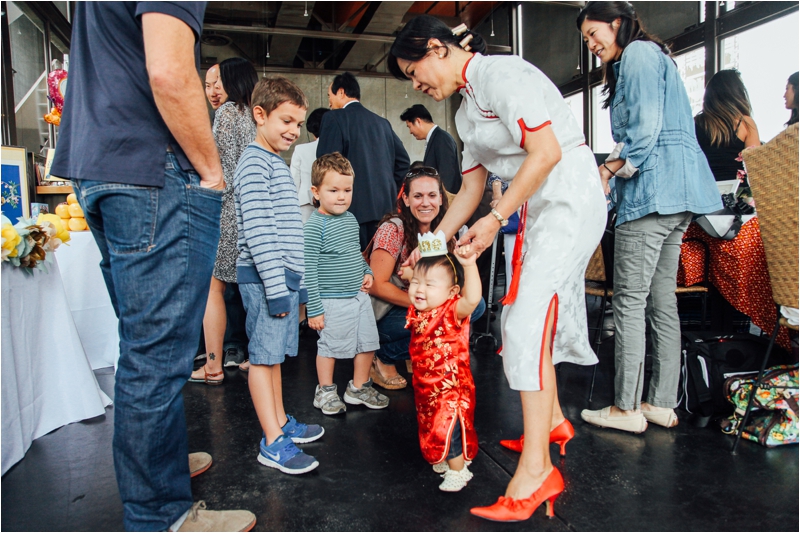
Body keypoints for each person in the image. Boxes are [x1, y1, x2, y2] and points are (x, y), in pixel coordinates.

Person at [388, 14, 606, 522]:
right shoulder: (466, 111)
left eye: (413, 71)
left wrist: (495, 218)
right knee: (531, 316)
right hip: (537, 207)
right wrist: (431, 244)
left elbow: (546, 151)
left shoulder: (502, 75)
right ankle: (551, 422)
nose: (415, 85)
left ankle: (537, 470)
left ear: (437, 48)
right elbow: (470, 188)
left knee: (524, 320)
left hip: (568, 196)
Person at [50, 3, 255, 531]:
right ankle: (160, 514)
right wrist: (211, 172)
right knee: (157, 354)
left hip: (98, 161)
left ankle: (158, 468)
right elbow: (167, 70)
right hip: (150, 166)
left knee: (142, 343)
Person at [577, 2, 720, 434]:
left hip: (651, 195)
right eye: (586, 39)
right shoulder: (655, 57)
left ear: (617, 23)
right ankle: (660, 402)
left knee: (629, 301)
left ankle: (626, 408)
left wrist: (607, 170)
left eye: (594, 33)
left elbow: (643, 130)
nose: (591, 44)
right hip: (678, 196)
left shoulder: (637, 53)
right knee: (662, 301)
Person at [234, 76, 324, 474]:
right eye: (286, 120)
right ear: (260, 115)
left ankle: (281, 421)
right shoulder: (255, 163)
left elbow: (287, 231)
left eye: (299, 124)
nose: (293, 130)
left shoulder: (273, 162)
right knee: (262, 359)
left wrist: (296, 286)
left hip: (279, 278)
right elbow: (260, 232)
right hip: (264, 279)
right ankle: (271, 441)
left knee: (273, 360)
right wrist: (275, 289)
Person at [367, 167, 485, 390]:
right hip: (386, 315)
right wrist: (427, 306)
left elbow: (458, 285)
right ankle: (384, 355)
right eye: (418, 196)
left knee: (476, 306)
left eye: (432, 195)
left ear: (440, 198)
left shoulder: (445, 232)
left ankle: (414, 353)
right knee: (439, 318)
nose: (425, 203)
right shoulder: (393, 229)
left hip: (421, 308)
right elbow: (376, 285)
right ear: (406, 199)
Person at [304, 152, 388, 416]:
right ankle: (325, 391)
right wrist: (314, 309)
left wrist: (366, 270)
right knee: (330, 347)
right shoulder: (315, 227)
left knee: (368, 343)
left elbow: (355, 252)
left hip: (358, 297)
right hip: (332, 300)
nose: (341, 197)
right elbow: (308, 270)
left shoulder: (350, 219)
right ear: (316, 192)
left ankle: (359, 388)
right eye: (333, 190)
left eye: (347, 190)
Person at [190, 57, 258, 385]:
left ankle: (213, 365)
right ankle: (257, 356)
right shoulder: (255, 115)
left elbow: (219, 171)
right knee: (250, 286)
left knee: (213, 288)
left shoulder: (227, 113)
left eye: (220, 82)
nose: (215, 89)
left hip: (228, 210)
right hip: (252, 211)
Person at [404, 236, 481, 492]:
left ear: (452, 292)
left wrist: (469, 265)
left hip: (449, 386)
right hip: (425, 383)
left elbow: (472, 300)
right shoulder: (421, 310)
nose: (419, 289)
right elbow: (412, 275)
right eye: (416, 282)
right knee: (431, 422)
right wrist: (411, 273)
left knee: (448, 423)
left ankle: (459, 470)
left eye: (429, 284)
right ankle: (445, 456)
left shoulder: (451, 310)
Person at [316, 72, 411, 249]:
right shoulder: (382, 123)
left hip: (349, 213)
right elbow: (403, 162)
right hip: (385, 213)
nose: (329, 103)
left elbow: (325, 166)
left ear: (341, 92)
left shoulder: (333, 118)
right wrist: (388, 190)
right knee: (380, 263)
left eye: (329, 96)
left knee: (350, 265)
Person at [694, 69, 760, 183]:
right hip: (737, 191)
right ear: (737, 92)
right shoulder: (746, 123)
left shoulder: (695, 123)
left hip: (705, 189)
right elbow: (755, 167)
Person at [400, 104, 462, 193]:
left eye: (409, 127)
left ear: (418, 121)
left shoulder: (442, 138)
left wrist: (442, 199)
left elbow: (447, 176)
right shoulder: (435, 138)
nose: (410, 132)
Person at [291, 108, 330, 224]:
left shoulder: (300, 149)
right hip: (329, 202)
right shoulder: (336, 148)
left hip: (304, 203)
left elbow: (294, 181)